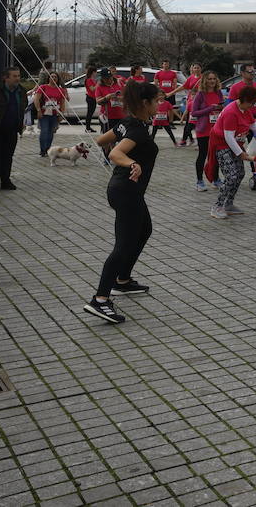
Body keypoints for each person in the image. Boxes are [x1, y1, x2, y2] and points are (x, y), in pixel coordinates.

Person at [82, 81, 162, 324]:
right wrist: (132, 163)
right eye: (157, 100)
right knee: (123, 245)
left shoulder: (130, 124)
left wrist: (126, 156)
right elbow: (116, 153)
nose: (160, 104)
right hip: (126, 191)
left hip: (127, 191)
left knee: (144, 230)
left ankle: (123, 280)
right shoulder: (136, 129)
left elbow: (101, 140)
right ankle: (101, 299)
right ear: (145, 103)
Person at [209, 84, 256, 219]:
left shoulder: (245, 110)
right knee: (231, 176)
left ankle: (229, 204)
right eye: (251, 103)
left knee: (240, 173)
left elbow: (253, 125)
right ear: (244, 99)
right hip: (222, 145)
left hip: (235, 144)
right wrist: (241, 153)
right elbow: (228, 137)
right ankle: (217, 206)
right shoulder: (231, 112)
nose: (252, 106)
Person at [188, 71, 224, 191]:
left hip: (217, 129)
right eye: (209, 79)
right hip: (203, 130)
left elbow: (222, 108)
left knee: (216, 156)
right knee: (203, 155)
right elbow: (194, 113)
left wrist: (221, 108)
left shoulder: (218, 93)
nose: (212, 81)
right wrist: (210, 108)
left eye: (214, 79)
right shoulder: (200, 95)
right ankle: (199, 181)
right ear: (204, 80)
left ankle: (215, 179)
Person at [32, 70, 69, 157]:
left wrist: (61, 114)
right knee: (44, 131)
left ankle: (48, 149)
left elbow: (63, 103)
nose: (53, 78)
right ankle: (42, 149)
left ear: (58, 79)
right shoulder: (43, 87)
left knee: (51, 132)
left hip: (55, 114)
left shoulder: (60, 90)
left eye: (55, 77)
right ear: (48, 78)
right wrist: (38, 110)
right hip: (44, 113)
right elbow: (36, 99)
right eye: (52, 76)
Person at [177, 64, 203, 146]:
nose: (194, 70)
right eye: (193, 68)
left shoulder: (203, 79)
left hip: (200, 104)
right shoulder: (191, 78)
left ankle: (191, 140)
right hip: (191, 102)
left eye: (196, 68)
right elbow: (184, 87)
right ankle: (187, 139)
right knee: (189, 124)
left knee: (195, 125)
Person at [82, 64, 100, 132]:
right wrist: (98, 84)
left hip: (93, 98)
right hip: (90, 98)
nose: (96, 73)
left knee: (91, 113)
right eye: (95, 72)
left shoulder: (92, 79)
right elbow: (92, 89)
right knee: (89, 113)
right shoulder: (89, 80)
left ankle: (88, 127)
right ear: (93, 72)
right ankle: (87, 128)